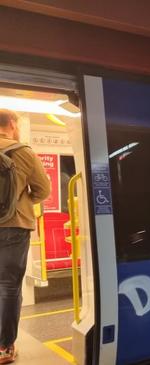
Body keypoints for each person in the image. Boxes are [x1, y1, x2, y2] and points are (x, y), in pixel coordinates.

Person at [0, 109, 50, 364]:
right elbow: (43, 189)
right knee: (8, 286)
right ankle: (5, 348)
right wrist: (22, 202)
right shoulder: (23, 152)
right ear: (11, 123)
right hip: (14, 225)